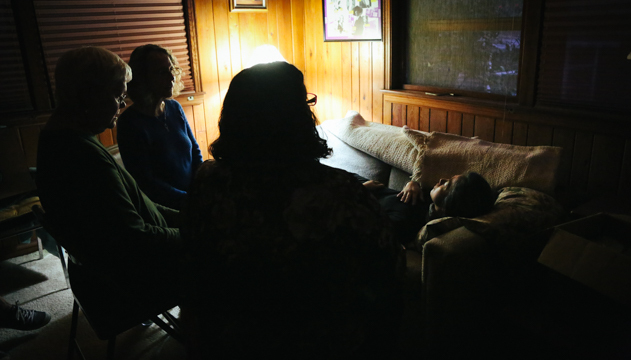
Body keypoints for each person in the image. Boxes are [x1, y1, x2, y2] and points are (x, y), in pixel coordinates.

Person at [181, 61, 403, 359]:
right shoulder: (337, 193)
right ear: (297, 118)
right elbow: (387, 266)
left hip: (226, 339)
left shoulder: (207, 181)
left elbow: (194, 261)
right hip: (315, 342)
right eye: (306, 102)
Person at [36, 46, 185, 307]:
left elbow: (139, 203)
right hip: (139, 277)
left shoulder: (59, 139)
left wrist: (189, 220)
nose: (122, 104)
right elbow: (136, 239)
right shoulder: (81, 157)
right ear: (86, 95)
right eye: (117, 95)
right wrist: (194, 234)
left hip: (117, 268)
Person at [117, 44, 203, 210]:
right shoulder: (130, 123)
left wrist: (202, 187)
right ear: (143, 78)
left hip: (193, 197)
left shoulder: (174, 108)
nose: (172, 77)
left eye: (171, 69)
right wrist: (188, 200)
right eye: (162, 72)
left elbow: (195, 151)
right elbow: (146, 183)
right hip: (166, 209)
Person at [359, 172, 495, 245]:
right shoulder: (429, 200)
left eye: (447, 184)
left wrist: (359, 190)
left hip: (348, 193)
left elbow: (362, 226)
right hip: (357, 183)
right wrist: (412, 183)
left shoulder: (406, 221)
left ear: (448, 206)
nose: (441, 179)